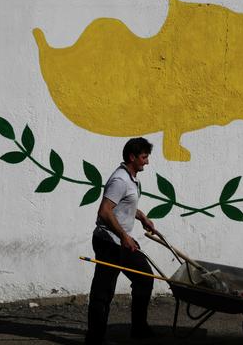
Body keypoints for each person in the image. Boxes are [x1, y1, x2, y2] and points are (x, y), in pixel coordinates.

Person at [85, 137, 158, 344]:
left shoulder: (131, 178)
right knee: (103, 291)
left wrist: (142, 217)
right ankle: (94, 338)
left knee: (144, 278)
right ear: (132, 157)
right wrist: (124, 236)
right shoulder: (120, 180)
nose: (147, 162)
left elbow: (123, 205)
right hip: (109, 242)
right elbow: (105, 211)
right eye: (144, 157)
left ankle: (139, 328)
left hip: (120, 241)